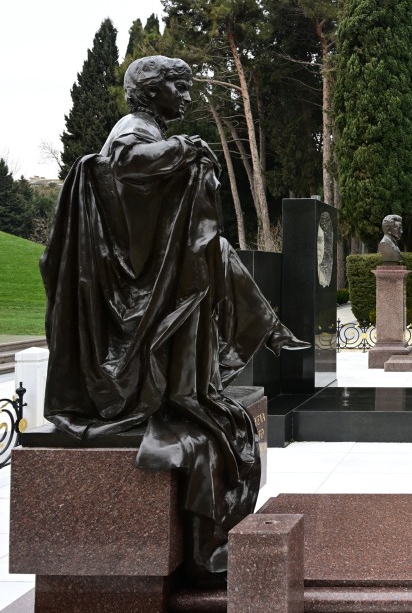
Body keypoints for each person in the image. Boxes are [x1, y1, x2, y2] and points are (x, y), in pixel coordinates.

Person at [40, 55, 306, 583]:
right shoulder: (131, 131)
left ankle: (268, 328)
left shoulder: (149, 130)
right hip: (137, 294)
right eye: (179, 88)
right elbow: (125, 163)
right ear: (152, 91)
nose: (187, 98)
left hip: (153, 280)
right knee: (213, 249)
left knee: (215, 249)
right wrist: (186, 149)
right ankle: (268, 329)